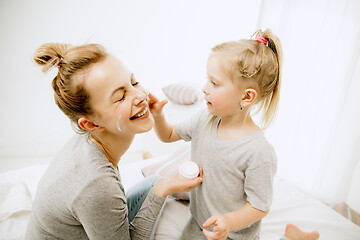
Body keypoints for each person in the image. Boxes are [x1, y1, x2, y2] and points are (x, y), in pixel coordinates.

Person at [149, 29, 319, 240]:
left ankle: (294, 237)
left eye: (215, 83)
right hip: (199, 222)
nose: (204, 88)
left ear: (247, 97)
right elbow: (169, 135)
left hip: (235, 234)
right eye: (206, 79)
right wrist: (158, 117)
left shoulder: (259, 153)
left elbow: (260, 206)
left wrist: (229, 222)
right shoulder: (204, 120)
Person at [25, 43, 203, 240]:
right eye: (120, 97)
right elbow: (101, 193)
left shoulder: (91, 142)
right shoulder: (96, 184)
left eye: (134, 83)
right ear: (91, 125)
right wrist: (161, 192)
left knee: (155, 181)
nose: (140, 96)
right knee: (159, 187)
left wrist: (155, 116)